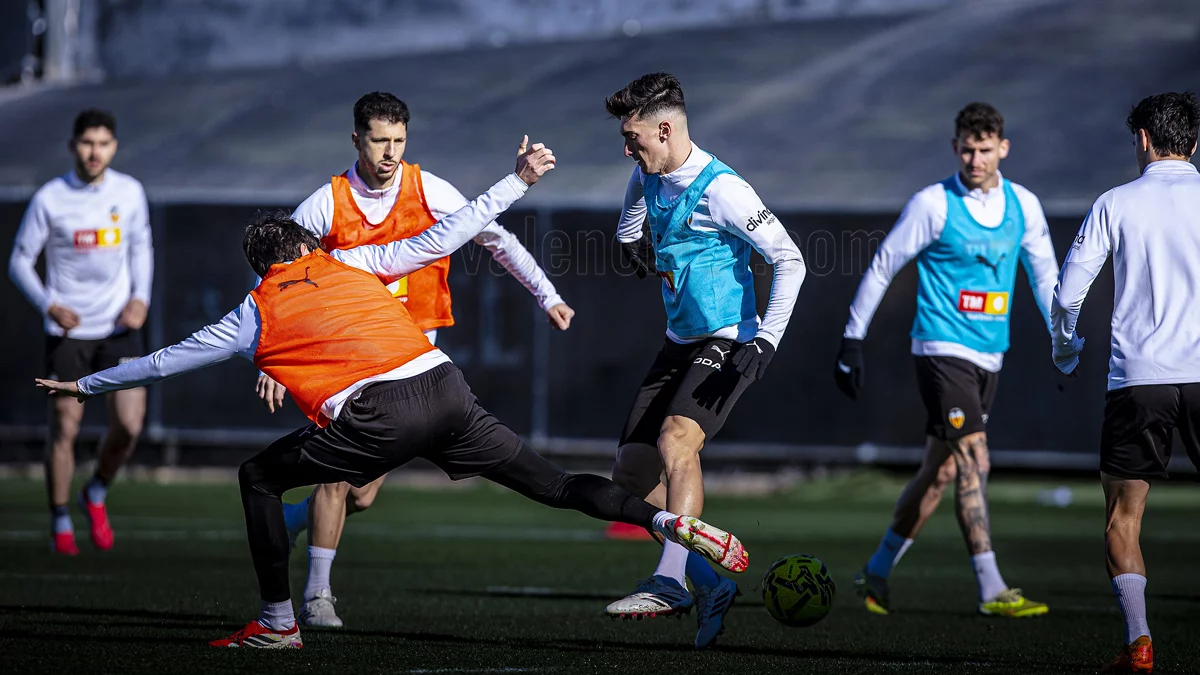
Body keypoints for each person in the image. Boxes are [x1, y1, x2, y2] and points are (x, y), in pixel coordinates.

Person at [34, 137, 749, 649]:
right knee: (556, 485)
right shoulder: (354, 261)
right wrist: (517, 180)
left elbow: (164, 361)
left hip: (379, 414)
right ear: (304, 248)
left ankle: (280, 620)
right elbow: (453, 233)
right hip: (444, 387)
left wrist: (85, 382)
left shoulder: (253, 310)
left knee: (258, 476)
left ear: (262, 266)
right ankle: (668, 524)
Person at [261, 92, 576, 628]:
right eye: (379, 140)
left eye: (399, 140)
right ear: (356, 139)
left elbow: (495, 237)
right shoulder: (325, 204)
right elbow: (279, 277)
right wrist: (272, 358)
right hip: (347, 356)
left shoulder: (428, 190)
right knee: (334, 477)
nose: (390, 152)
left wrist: (548, 295)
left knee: (362, 495)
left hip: (413, 359)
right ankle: (316, 596)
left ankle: (296, 519)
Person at [603, 73, 806, 649]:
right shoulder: (648, 172)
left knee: (676, 442)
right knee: (631, 478)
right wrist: (628, 237)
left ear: (666, 129)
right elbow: (634, 199)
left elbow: (791, 260)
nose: (628, 150)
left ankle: (670, 581)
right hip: (678, 342)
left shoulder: (724, 190)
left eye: (634, 138)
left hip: (729, 339)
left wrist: (767, 340)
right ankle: (711, 584)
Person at [834, 102, 1056, 618]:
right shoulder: (932, 204)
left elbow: (1046, 277)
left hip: (990, 356)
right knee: (975, 458)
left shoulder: (1024, 205)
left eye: (985, 149)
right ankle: (991, 588)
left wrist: (1062, 340)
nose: (975, 159)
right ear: (955, 147)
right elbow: (884, 265)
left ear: (1003, 148)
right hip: (940, 349)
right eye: (967, 149)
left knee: (939, 473)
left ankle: (876, 572)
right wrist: (852, 338)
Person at [1051, 91, 1200, 675]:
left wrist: (1065, 349)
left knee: (1123, 518)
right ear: (1194, 142)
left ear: (1141, 139)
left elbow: (1069, 294)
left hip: (1139, 380)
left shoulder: (1115, 202)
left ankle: (1139, 642)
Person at [9, 108, 153, 556]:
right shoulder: (50, 198)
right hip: (68, 332)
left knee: (129, 425)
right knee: (65, 428)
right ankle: (60, 518)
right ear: (73, 146)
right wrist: (49, 305)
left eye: (103, 143)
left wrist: (140, 298)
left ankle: (95, 491)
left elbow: (141, 248)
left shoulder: (129, 192)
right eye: (88, 143)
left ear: (114, 147)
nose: (95, 152)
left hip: (119, 328)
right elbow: (19, 261)